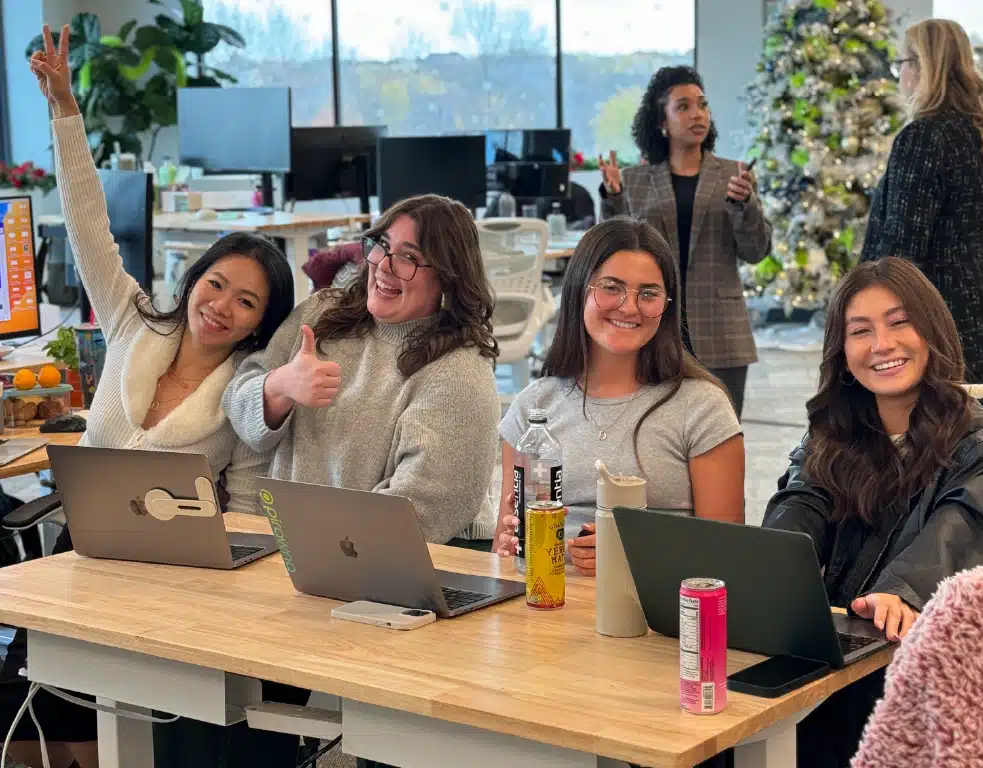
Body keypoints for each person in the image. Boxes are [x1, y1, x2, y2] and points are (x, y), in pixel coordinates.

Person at [4, 24, 297, 768]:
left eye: (246, 303)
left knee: (115, 734)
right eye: (217, 284)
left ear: (261, 322)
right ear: (195, 276)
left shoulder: (243, 390)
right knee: (28, 716)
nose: (221, 305)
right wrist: (66, 113)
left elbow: (249, 501)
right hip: (85, 555)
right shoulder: (134, 322)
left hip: (174, 579)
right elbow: (87, 224)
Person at [763, 257, 983, 767]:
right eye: (860, 331)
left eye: (900, 322)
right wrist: (767, 565)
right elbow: (800, 503)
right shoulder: (831, 434)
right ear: (842, 353)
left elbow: (963, 526)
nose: (882, 344)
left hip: (913, 664)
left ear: (932, 330)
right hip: (827, 653)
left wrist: (900, 590)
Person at [223, 194, 500, 547]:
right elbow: (238, 406)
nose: (384, 265)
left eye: (409, 258)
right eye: (381, 246)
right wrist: (278, 386)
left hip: (400, 563)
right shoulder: (321, 313)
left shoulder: (459, 372)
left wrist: (318, 548)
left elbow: (418, 514)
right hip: (302, 550)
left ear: (448, 278)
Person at [493, 217, 745, 575]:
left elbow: (729, 556)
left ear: (667, 305)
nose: (629, 307)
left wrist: (635, 555)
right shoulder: (533, 408)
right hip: (544, 612)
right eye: (611, 287)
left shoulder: (702, 408)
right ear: (580, 289)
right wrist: (508, 554)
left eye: (648, 293)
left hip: (657, 619)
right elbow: (505, 552)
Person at [598, 65, 772, 417]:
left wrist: (745, 205)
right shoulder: (635, 180)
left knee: (720, 434)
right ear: (661, 122)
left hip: (721, 327)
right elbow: (613, 254)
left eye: (703, 105)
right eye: (683, 107)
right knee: (654, 434)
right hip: (654, 325)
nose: (698, 114)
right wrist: (613, 198)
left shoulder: (733, 175)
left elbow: (756, 251)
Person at [861, 18, 983, 384]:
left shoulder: (922, 137)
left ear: (921, 68)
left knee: (922, 432)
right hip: (979, 310)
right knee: (965, 431)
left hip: (928, 319)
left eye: (901, 64)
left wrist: (868, 315)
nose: (899, 75)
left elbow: (903, 246)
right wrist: (972, 241)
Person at [851, 560, 983, 768]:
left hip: (908, 626)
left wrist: (905, 589)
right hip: (853, 620)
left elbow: (973, 528)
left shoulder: (977, 599)